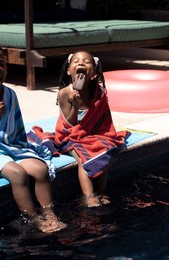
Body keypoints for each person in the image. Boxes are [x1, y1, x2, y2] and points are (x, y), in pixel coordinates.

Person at [0, 40, 66, 233]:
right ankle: (33, 219)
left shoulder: (10, 94)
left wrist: (20, 145)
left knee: (40, 170)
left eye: (1, 63)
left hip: (9, 145)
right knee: (18, 174)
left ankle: (49, 214)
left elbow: (15, 128)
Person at [29, 51, 129, 207]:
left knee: (106, 150)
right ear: (69, 70)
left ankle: (101, 192)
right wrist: (74, 105)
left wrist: (101, 136)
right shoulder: (65, 93)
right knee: (84, 158)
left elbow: (103, 118)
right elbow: (68, 123)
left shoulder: (99, 92)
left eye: (87, 61)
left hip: (93, 133)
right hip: (70, 136)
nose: (81, 63)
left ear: (94, 72)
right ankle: (89, 196)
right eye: (76, 61)